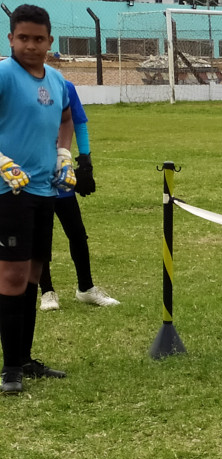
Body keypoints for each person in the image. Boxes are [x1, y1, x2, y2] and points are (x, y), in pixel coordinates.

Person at [0, 4, 76, 394]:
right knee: (11, 276)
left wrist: (64, 154)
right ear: (10, 38)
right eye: (23, 38)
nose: (31, 45)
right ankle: (9, 369)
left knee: (33, 273)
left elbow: (65, 120)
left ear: (50, 41)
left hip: (46, 189)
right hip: (8, 192)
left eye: (39, 39)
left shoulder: (58, 79)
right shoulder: (3, 74)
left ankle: (25, 358)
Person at [38, 80, 119, 312]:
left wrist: (85, 162)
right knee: (41, 234)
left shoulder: (64, 86)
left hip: (60, 172)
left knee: (77, 233)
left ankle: (86, 289)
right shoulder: (18, 82)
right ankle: (47, 291)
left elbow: (79, 123)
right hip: (32, 173)